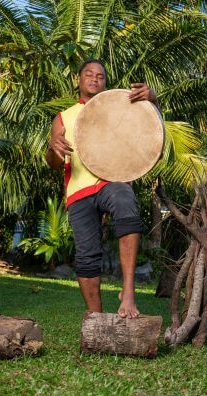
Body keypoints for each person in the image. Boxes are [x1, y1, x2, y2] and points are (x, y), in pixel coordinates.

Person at [45, 59, 158, 318]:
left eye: (101, 76)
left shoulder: (118, 105)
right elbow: (53, 164)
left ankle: (127, 292)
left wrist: (153, 98)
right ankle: (95, 318)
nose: (95, 79)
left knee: (125, 200)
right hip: (78, 191)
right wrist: (53, 148)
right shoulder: (63, 118)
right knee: (86, 256)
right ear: (78, 79)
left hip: (111, 181)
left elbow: (150, 125)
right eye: (89, 74)